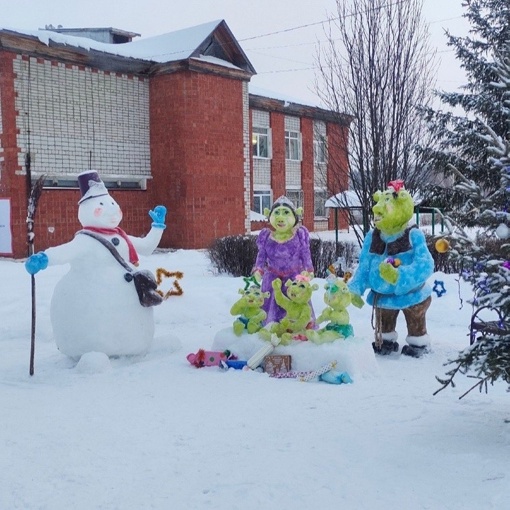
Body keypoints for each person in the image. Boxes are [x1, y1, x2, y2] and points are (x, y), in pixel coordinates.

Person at [252, 196, 315, 326]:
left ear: (294, 216)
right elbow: (261, 256)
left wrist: (308, 270)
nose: (281, 218)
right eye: (277, 212)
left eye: (286, 213)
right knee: (270, 307)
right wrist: (258, 269)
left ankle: (296, 329)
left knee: (295, 304)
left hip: (293, 279)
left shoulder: (299, 235)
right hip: (271, 279)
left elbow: (305, 254)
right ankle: (269, 326)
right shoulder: (266, 236)